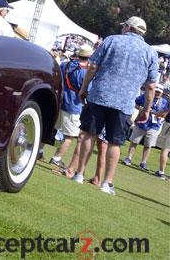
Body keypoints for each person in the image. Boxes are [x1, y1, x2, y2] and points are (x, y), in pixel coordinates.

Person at [73, 15, 160, 195]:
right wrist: (146, 110)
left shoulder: (112, 40)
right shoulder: (150, 52)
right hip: (124, 103)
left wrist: (83, 88)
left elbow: (92, 67)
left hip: (100, 95)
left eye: (124, 26)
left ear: (128, 27)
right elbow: (151, 85)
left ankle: (79, 174)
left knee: (89, 134)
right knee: (115, 143)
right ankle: (107, 183)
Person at [46, 44, 93, 168]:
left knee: (52, 129)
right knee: (70, 135)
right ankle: (56, 158)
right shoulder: (85, 73)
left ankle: (40, 151)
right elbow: (87, 91)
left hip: (59, 101)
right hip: (73, 106)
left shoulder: (65, 64)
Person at [122, 85, 169, 170]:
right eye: (156, 91)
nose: (157, 93)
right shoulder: (145, 96)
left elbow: (165, 114)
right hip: (141, 122)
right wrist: (141, 108)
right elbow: (136, 103)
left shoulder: (164, 102)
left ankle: (143, 162)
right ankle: (128, 158)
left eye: (159, 92)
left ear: (162, 93)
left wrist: (157, 114)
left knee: (148, 145)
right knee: (134, 141)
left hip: (154, 125)